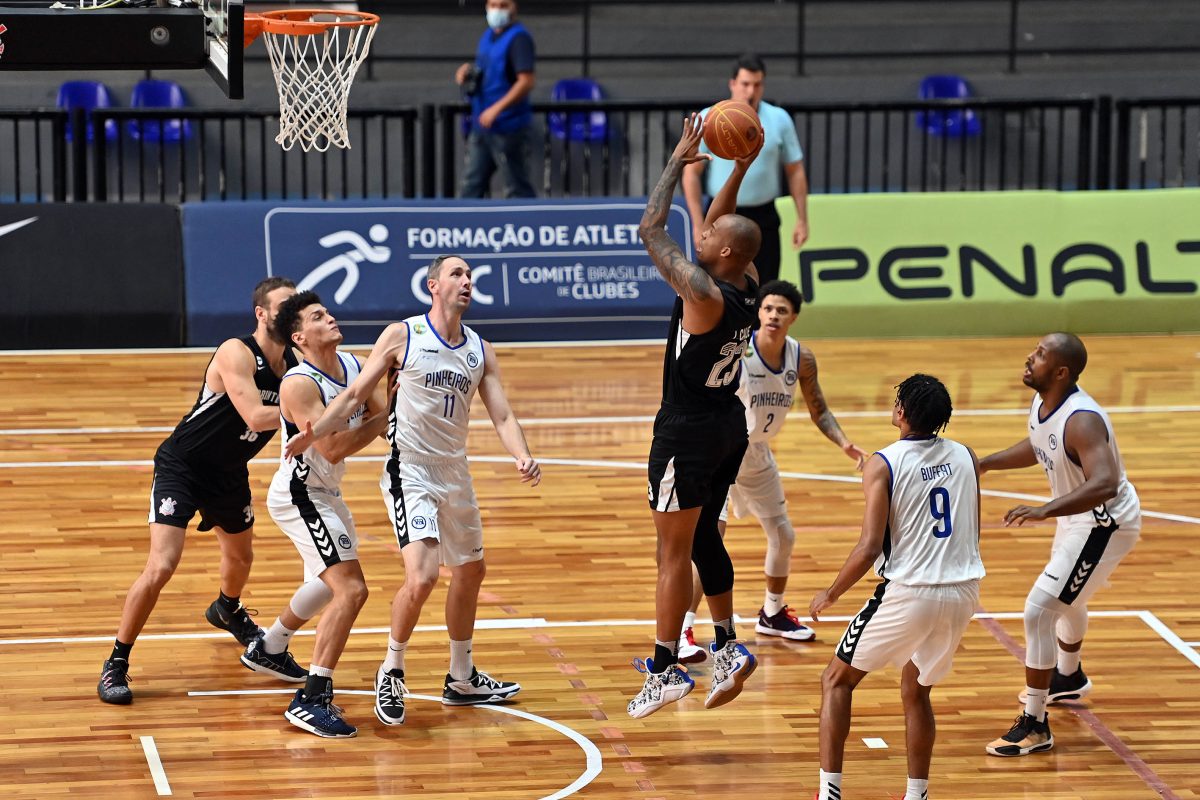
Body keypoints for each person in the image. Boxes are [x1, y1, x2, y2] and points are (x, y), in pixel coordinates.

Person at [284, 254, 540, 727]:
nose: (466, 281)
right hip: (410, 470)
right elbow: (354, 395)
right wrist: (314, 432)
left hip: (455, 472)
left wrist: (521, 454)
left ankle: (461, 677)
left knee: (471, 572)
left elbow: (502, 415)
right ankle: (392, 669)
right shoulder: (403, 335)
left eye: (470, 275)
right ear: (433, 285)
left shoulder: (480, 349)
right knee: (421, 577)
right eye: (456, 274)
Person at [98, 277, 299, 705]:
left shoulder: (295, 366)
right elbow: (255, 416)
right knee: (162, 565)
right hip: (184, 466)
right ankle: (117, 660)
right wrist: (317, 408)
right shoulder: (236, 352)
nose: (292, 313)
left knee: (241, 558)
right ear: (261, 313)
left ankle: (227, 608)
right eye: (284, 306)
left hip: (229, 472)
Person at [628, 113, 762, 719]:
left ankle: (665, 668)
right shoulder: (747, 282)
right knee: (705, 532)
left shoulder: (702, 294)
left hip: (685, 430)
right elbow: (726, 229)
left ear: (721, 252)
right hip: (728, 425)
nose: (699, 234)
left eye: (707, 236)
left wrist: (676, 161)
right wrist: (738, 169)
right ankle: (728, 645)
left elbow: (650, 228)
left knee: (672, 552)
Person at [810, 374, 983, 800]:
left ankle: (829, 794)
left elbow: (869, 547)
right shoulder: (966, 455)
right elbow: (971, 527)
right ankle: (917, 794)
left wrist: (831, 593)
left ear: (901, 411)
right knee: (916, 689)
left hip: (911, 592)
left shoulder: (883, 462)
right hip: (964, 590)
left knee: (836, 680)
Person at [676, 279, 867, 663]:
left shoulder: (801, 357)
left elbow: (819, 409)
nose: (774, 315)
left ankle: (772, 613)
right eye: (767, 309)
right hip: (721, 450)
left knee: (783, 534)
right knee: (710, 541)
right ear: (757, 313)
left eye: (782, 310)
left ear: (793, 317)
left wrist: (844, 443)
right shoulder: (738, 352)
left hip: (757, 453)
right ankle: (682, 631)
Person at [981, 333, 1141, 758]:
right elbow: (1040, 446)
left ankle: (1035, 725)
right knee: (1066, 596)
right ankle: (1068, 677)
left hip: (1104, 523)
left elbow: (1105, 483)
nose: (1029, 357)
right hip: (1078, 517)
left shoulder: (1082, 419)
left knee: (1040, 609)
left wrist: (1045, 510)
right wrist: (986, 463)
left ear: (1061, 372)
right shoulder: (1043, 403)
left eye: (1039, 355)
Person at [246, 291, 390, 737]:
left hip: (326, 491)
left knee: (327, 585)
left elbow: (384, 421)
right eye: (317, 316)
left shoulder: (353, 365)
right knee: (351, 589)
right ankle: (311, 698)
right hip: (300, 494)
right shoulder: (298, 383)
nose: (330, 318)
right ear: (299, 337)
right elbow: (333, 447)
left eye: (328, 312)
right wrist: (387, 414)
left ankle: (269, 646)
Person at [682, 53, 809, 286]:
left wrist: (802, 219)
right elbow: (691, 173)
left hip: (764, 215)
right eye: (745, 84)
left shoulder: (779, 119)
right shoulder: (710, 119)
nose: (751, 91)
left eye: (757, 84)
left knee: (766, 285)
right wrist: (698, 223)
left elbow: (795, 170)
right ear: (732, 84)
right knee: (718, 286)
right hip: (722, 215)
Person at [455, 0, 537, 198]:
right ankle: (464, 217)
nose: (497, 10)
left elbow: (526, 82)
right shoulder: (488, 36)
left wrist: (497, 109)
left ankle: (524, 216)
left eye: (503, 5)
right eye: (493, 4)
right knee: (471, 185)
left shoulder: (519, 39)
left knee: (516, 186)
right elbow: (488, 70)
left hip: (508, 126)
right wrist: (468, 71)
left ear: (514, 7)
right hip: (482, 123)